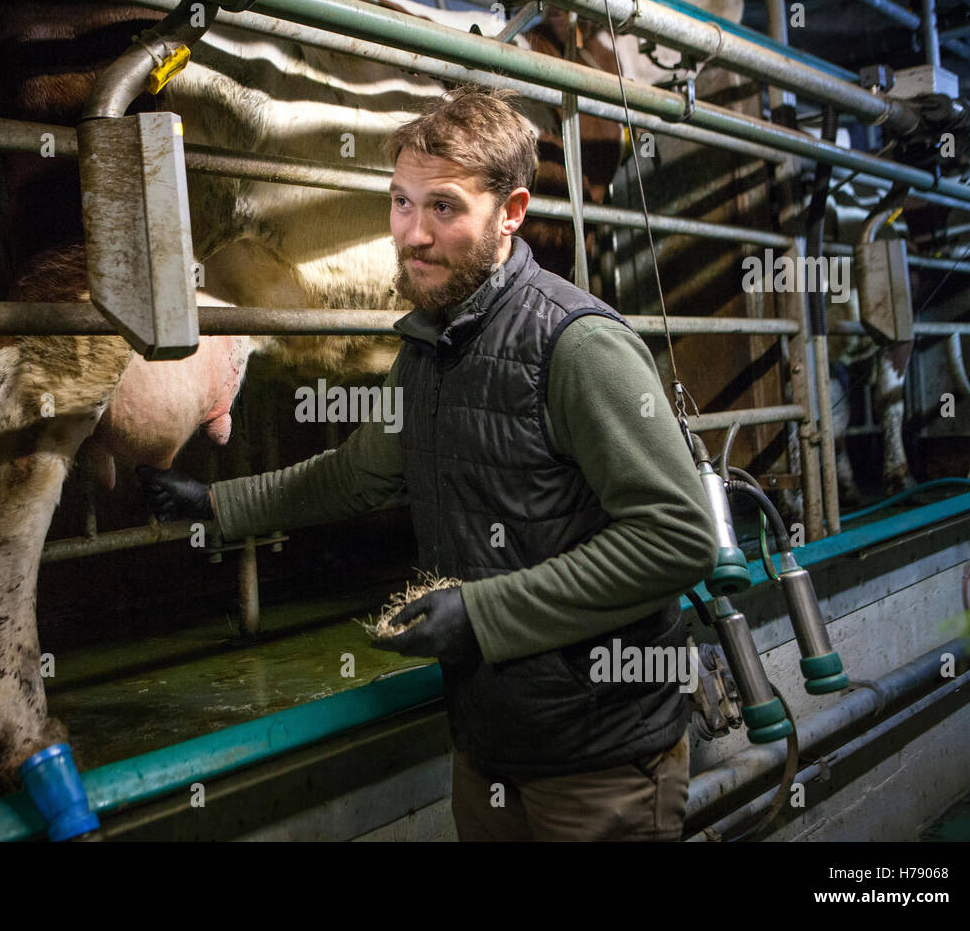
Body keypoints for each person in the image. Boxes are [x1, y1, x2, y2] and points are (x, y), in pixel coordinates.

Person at [137, 86, 719, 841]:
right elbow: (358, 474)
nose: (412, 235)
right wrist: (216, 507)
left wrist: (480, 613)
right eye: (401, 203)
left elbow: (676, 539)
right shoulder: (427, 348)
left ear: (510, 213)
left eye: (443, 207)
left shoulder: (577, 347)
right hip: (486, 747)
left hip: (599, 758)